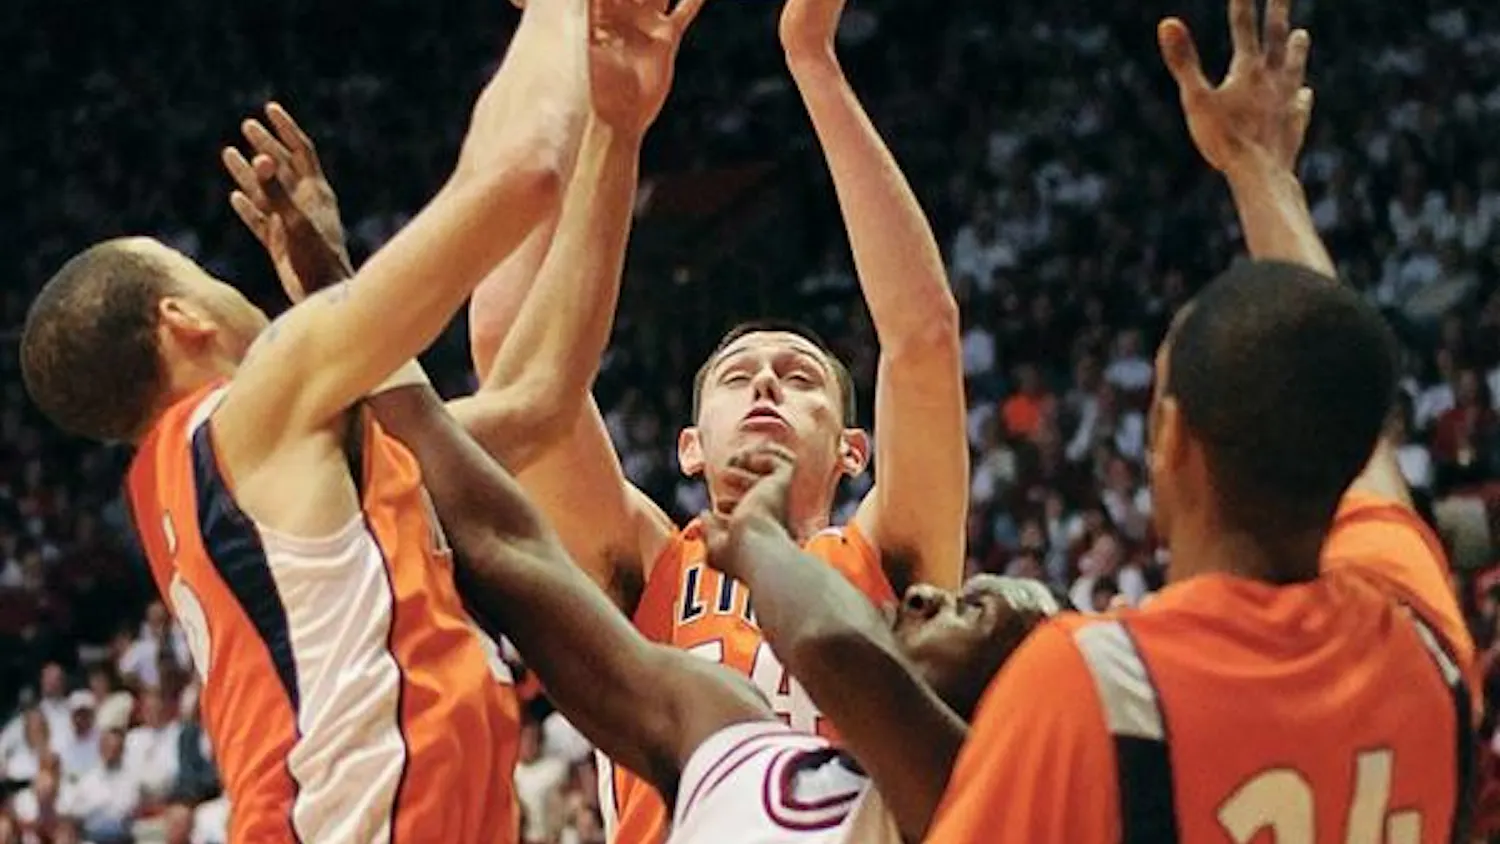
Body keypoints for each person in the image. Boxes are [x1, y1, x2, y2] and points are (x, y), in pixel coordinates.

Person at [15, 0, 594, 838]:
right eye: (207, 273)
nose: (234, 284)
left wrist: (616, 128)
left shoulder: (228, 475)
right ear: (183, 318)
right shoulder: (252, 413)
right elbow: (524, 173)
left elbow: (540, 404)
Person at [927, 0, 1476, 840]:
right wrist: (1262, 174)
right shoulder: (1417, 636)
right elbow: (1338, 393)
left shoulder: (1088, 686)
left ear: (1172, 436)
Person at [462, 0, 968, 835]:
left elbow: (923, 338)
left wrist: (812, 59)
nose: (767, 383)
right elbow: (509, 348)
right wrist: (590, 101)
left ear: (853, 450)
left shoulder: (888, 561)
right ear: (690, 450)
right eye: (738, 377)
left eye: (800, 377)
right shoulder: (647, 565)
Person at [358, 371, 1053, 843]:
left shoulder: (987, 808)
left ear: (1014, 699)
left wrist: (755, 540)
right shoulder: (737, 736)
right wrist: (351, 309)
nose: (930, 594)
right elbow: (509, 547)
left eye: (974, 611)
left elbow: (831, 646)